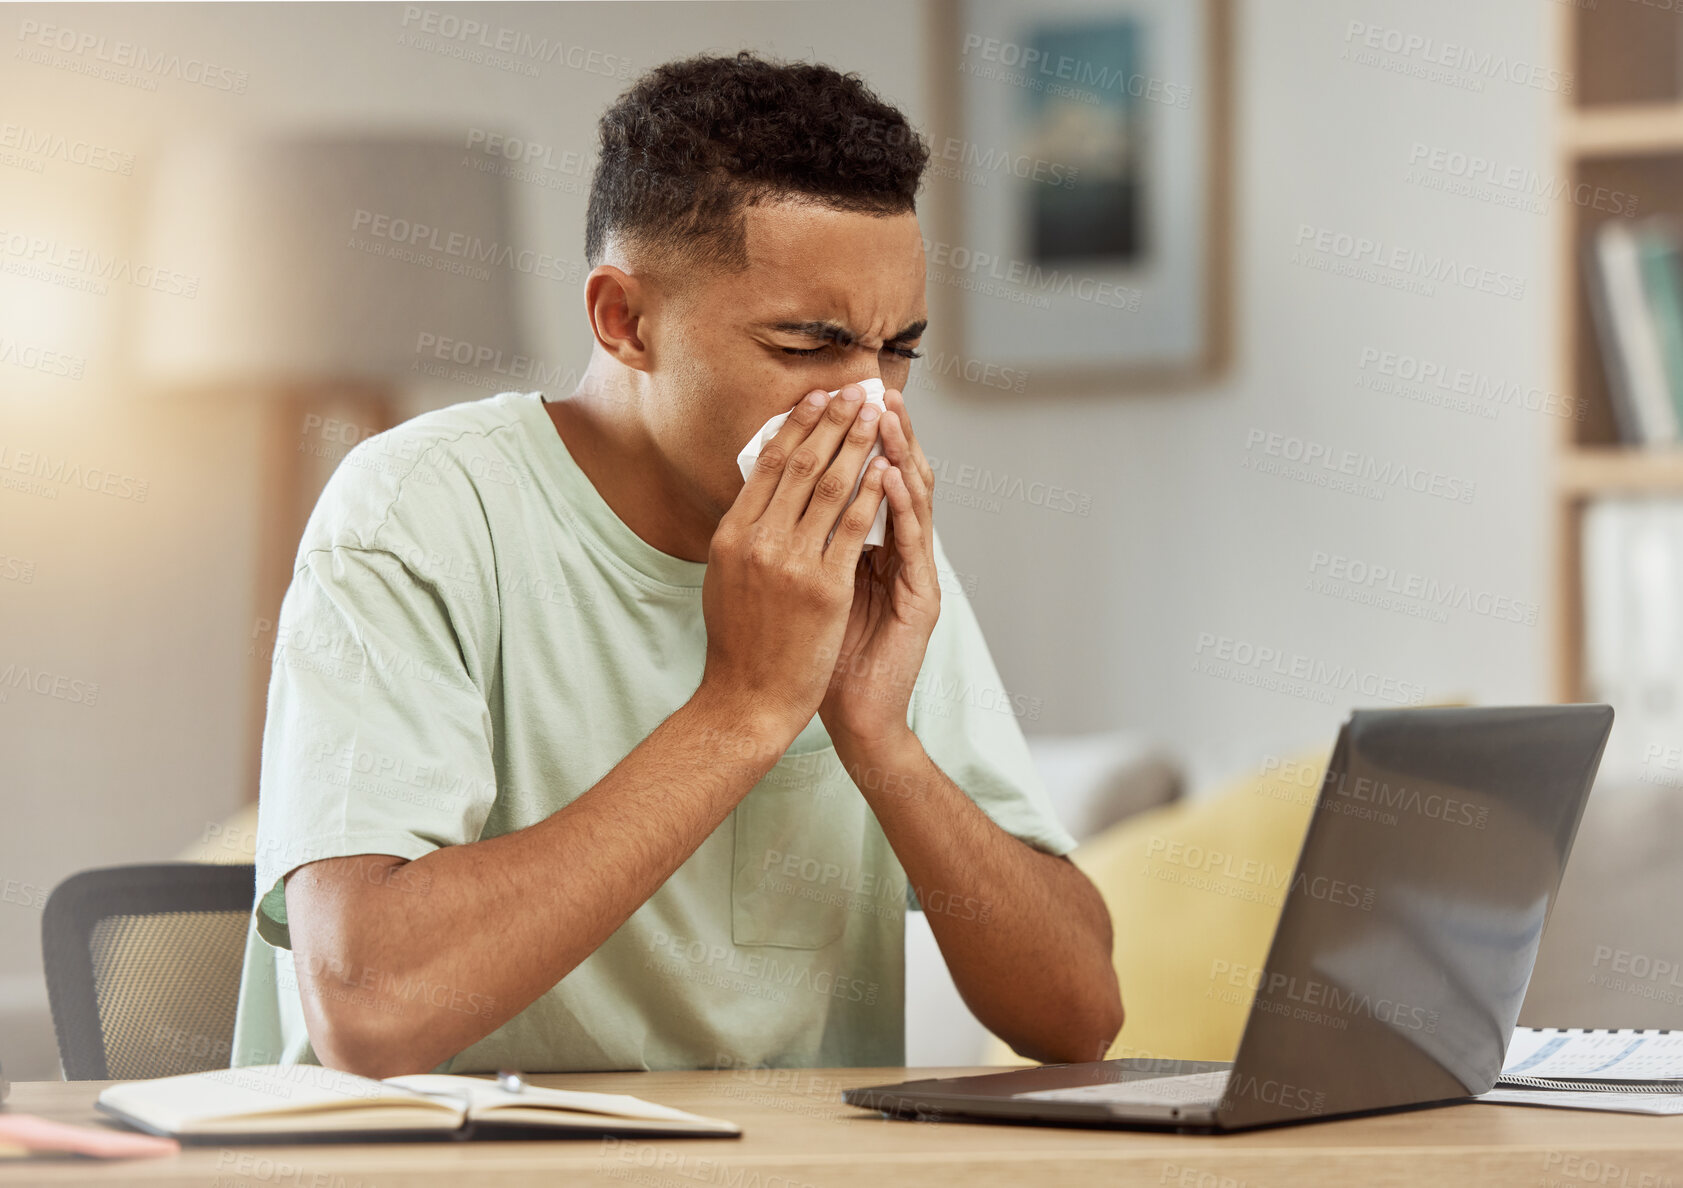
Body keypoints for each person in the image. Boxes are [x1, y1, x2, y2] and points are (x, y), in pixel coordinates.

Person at [231, 50, 1122, 1077]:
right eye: (808, 346)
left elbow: (1079, 1017)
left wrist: (882, 741)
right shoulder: (417, 512)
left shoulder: (860, 545)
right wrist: (743, 709)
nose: (870, 408)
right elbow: (370, 1009)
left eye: (897, 351)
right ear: (625, 320)